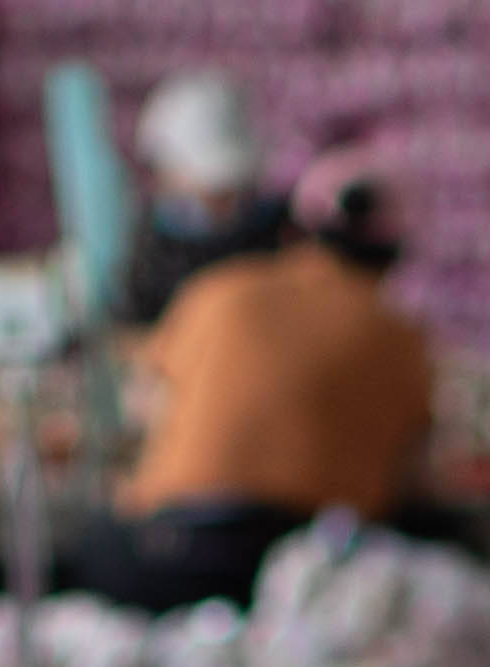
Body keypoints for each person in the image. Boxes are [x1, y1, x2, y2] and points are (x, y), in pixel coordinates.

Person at [71, 164, 433, 616]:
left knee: (98, 542)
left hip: (170, 556)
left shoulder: (220, 291)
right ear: (392, 253)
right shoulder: (401, 338)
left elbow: (143, 402)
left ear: (293, 232)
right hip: (306, 567)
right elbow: (414, 468)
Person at [117, 70, 289, 330]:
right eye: (209, 186)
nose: (219, 198)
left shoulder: (281, 229)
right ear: (166, 174)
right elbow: (135, 330)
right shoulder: (152, 248)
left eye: (229, 186)